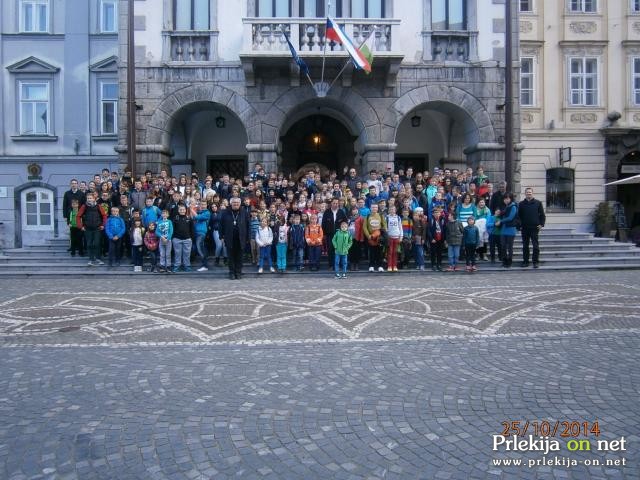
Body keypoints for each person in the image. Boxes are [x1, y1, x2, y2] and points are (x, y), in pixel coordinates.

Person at [220, 196, 250, 280]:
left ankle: (238, 272)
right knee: (231, 257)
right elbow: (221, 225)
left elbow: (248, 225)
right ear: (231, 203)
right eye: (234, 202)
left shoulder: (244, 212)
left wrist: (248, 237)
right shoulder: (225, 212)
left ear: (240, 204)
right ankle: (232, 273)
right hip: (229, 238)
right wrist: (221, 236)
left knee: (239, 257)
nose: (235, 204)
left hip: (241, 238)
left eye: (237, 203)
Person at [518, 187, 546, 268]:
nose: (528, 194)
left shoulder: (538, 203)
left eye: (530, 192)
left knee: (535, 246)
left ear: (532, 193)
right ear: (525, 193)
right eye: (527, 192)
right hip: (525, 228)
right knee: (525, 246)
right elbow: (519, 216)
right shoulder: (521, 204)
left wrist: (541, 224)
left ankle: (535, 262)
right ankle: (525, 262)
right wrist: (519, 225)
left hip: (534, 228)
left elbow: (542, 215)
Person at [78, 193, 107, 266]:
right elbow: (78, 216)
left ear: (94, 198)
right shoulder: (84, 206)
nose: (89, 199)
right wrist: (81, 226)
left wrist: (103, 225)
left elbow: (104, 215)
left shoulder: (98, 206)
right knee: (89, 244)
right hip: (87, 228)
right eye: (88, 198)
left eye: (91, 198)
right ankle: (91, 259)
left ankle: (98, 258)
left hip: (97, 228)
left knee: (97, 243)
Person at [321, 198, 348, 270]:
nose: (335, 204)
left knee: (340, 250)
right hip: (330, 235)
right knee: (330, 250)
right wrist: (324, 234)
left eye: (337, 203)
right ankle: (331, 265)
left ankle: (340, 265)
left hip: (340, 235)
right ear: (331, 204)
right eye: (334, 203)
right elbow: (323, 223)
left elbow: (345, 222)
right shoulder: (327, 212)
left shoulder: (341, 212)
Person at [363, 203, 386, 272]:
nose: (374, 209)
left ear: (377, 208)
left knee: (379, 252)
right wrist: (368, 235)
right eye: (373, 207)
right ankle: (371, 266)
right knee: (372, 252)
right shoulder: (367, 216)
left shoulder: (380, 215)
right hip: (371, 237)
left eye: (376, 207)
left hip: (379, 237)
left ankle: (380, 266)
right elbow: (364, 227)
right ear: (370, 208)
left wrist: (382, 234)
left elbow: (384, 225)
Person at [496, 193, 518, 268]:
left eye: (508, 198)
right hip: (503, 229)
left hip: (511, 229)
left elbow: (510, 218)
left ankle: (509, 261)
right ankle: (504, 261)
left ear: (511, 199)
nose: (506, 200)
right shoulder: (506, 206)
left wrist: (501, 221)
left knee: (510, 247)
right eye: (505, 199)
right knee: (503, 246)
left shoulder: (513, 206)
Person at [172, 204, 194, 273]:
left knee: (187, 253)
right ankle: (177, 266)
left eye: (183, 209)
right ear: (178, 210)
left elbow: (192, 229)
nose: (182, 211)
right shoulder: (175, 218)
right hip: (177, 239)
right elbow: (172, 229)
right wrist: (173, 238)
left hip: (187, 239)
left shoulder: (189, 218)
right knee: (177, 253)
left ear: (185, 210)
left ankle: (187, 266)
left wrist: (191, 238)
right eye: (180, 210)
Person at [192, 201, 211, 272]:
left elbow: (197, 217)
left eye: (204, 204)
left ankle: (205, 266)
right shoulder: (199, 211)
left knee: (200, 249)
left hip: (201, 233)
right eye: (201, 204)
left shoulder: (207, 213)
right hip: (195, 233)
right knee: (200, 248)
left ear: (206, 205)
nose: (203, 206)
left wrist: (191, 209)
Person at [385, 204, 403, 272]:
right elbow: (385, 227)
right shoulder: (387, 217)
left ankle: (395, 265)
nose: (392, 211)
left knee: (395, 252)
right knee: (390, 252)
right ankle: (389, 265)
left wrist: (401, 236)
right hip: (390, 237)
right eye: (391, 209)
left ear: (395, 210)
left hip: (397, 237)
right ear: (389, 210)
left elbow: (400, 227)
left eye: (393, 209)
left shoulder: (398, 218)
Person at [156, 209, 173, 273]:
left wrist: (167, 238)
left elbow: (171, 231)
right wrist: (161, 236)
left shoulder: (169, 222)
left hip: (168, 240)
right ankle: (162, 266)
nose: (164, 215)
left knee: (168, 254)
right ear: (161, 215)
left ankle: (168, 266)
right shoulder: (159, 222)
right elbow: (157, 231)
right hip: (161, 240)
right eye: (163, 213)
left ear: (168, 215)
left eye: (166, 213)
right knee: (162, 254)